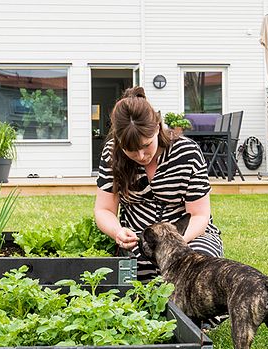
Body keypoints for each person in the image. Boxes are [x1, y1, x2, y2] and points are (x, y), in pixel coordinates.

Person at [94, 86, 223, 281]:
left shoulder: (187, 153)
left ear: (157, 128)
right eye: (131, 150)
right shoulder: (112, 154)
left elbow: (199, 215)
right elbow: (104, 210)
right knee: (132, 284)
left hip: (188, 237)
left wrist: (172, 244)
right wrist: (118, 232)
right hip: (139, 240)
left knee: (198, 275)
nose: (141, 156)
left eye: (146, 145)